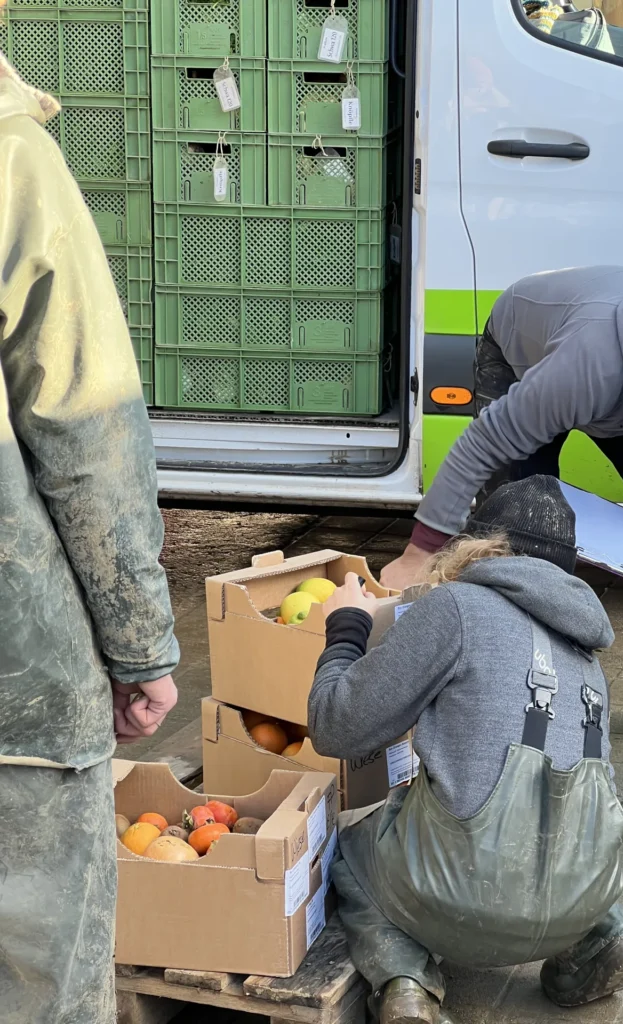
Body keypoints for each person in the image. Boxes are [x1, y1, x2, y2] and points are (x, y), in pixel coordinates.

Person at [382, 267, 623, 758]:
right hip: (527, 355)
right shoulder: (590, 365)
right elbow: (483, 444)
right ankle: (504, 688)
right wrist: (421, 551)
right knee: (515, 529)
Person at [309, 476, 623, 1024]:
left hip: (461, 905)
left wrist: (346, 626)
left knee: (350, 849)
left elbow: (336, 729)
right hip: (583, 898)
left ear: (480, 546)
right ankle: (604, 942)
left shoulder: (457, 608)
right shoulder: (589, 652)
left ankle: (406, 985)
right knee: (570, 831)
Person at [0, 54, 179, 1023]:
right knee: (40, 980)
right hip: (17, 690)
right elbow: (86, 430)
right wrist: (140, 648)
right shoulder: (12, 162)